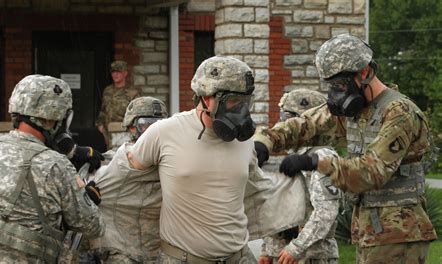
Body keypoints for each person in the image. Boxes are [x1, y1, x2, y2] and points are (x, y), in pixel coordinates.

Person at [254, 34, 438, 263]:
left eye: (340, 85)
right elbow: (307, 124)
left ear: (365, 73)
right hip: (370, 230)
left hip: (399, 235)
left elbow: (371, 172)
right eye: (331, 86)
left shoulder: (399, 113)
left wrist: (316, 162)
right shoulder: (357, 112)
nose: (335, 93)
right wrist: (265, 141)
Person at [126, 56, 260, 263]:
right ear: (207, 98)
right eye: (234, 101)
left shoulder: (245, 141)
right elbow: (127, 173)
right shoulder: (164, 132)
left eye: (245, 102)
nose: (241, 110)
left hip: (239, 258)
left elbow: (257, 189)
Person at [0, 75, 105, 263]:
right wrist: (87, 198)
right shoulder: (56, 165)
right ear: (50, 120)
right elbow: (92, 226)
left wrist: (70, 152)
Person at [257, 89, 340, 264]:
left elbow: (326, 214)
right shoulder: (296, 157)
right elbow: (280, 209)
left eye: (288, 117)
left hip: (313, 257)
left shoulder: (321, 157)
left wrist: (296, 248)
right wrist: (267, 249)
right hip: (285, 255)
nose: (283, 124)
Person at [93, 96, 168, 263]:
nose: (152, 131)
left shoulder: (171, 160)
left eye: (158, 125)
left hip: (158, 252)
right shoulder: (115, 161)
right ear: (132, 128)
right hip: (122, 251)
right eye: (146, 124)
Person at [96, 60, 141, 148]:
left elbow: (137, 113)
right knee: (111, 156)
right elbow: (103, 109)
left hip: (125, 132)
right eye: (113, 72)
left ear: (125, 73)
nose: (115, 75)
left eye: (118, 72)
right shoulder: (107, 91)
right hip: (109, 132)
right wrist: (100, 124)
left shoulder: (133, 92)